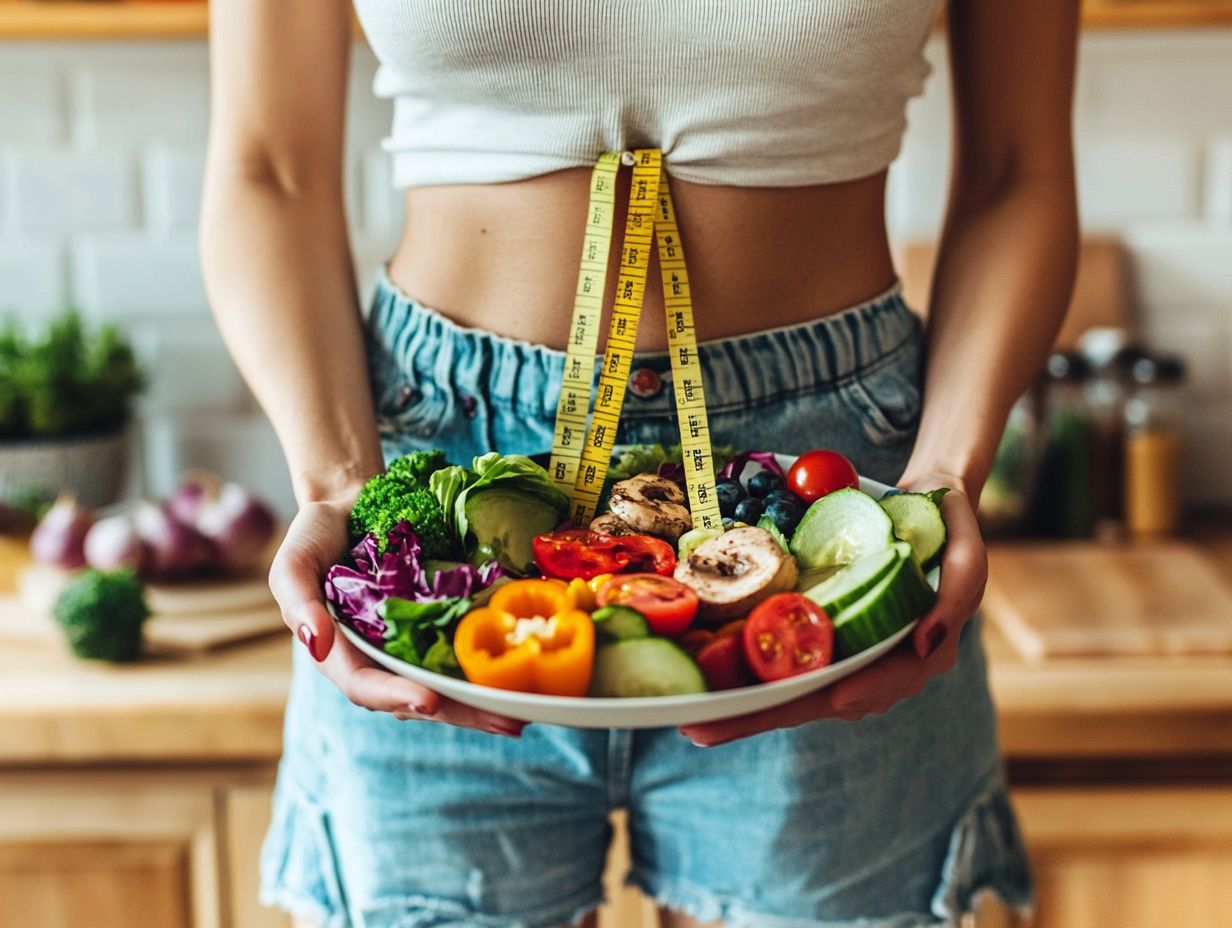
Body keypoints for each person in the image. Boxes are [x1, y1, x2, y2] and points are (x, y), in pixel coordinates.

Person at [201, 1, 1079, 926]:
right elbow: (269, 168)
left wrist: (945, 473)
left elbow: (1015, 173)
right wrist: (337, 479)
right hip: (439, 490)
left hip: (833, 499)